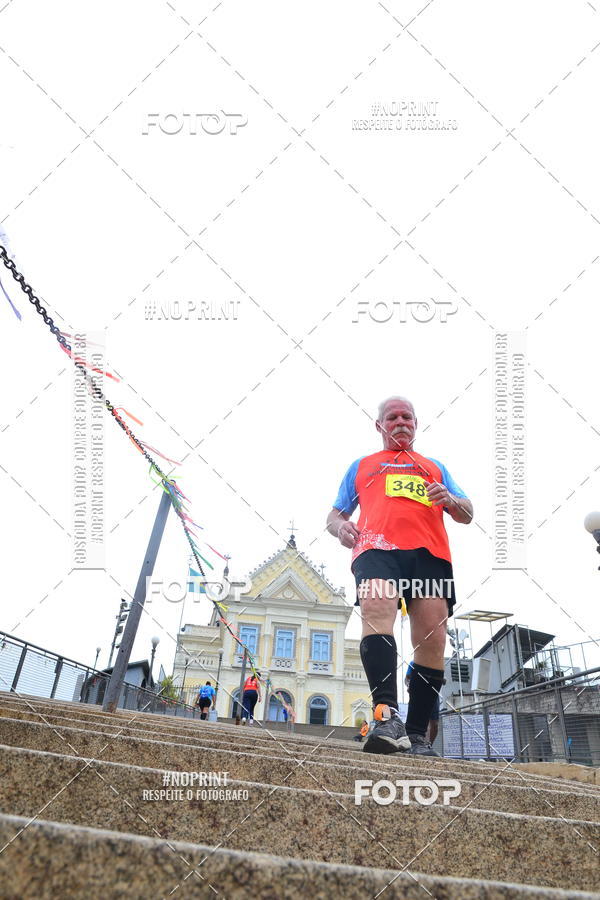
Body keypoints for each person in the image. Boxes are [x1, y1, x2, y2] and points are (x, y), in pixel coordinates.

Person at [327, 396, 472, 756]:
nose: (400, 422)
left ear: (416, 423)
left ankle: (417, 733)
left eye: (407, 416)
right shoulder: (362, 466)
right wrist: (341, 527)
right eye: (392, 417)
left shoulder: (434, 467)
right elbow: (333, 516)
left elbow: (468, 513)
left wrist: (451, 499)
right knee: (377, 613)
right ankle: (385, 717)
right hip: (377, 550)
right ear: (380, 426)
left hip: (429, 555)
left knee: (432, 639)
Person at [405, 660, 440, 745]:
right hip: (418, 694)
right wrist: (409, 686)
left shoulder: (436, 662)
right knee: (423, 721)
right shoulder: (413, 663)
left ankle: (429, 744)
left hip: (433, 694)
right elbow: (407, 678)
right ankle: (421, 743)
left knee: (434, 724)